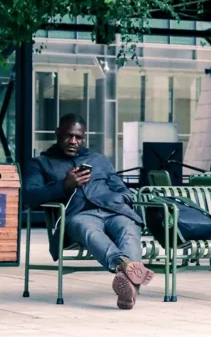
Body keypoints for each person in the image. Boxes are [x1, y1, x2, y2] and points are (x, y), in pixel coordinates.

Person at [23, 114, 153, 309]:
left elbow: (123, 190)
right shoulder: (41, 163)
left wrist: (117, 200)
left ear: (84, 137)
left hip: (114, 210)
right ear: (58, 133)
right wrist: (64, 186)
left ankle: (128, 283)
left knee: (129, 229)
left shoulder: (98, 160)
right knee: (89, 230)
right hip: (79, 215)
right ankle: (124, 266)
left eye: (78, 137)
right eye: (69, 136)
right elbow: (29, 197)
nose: (73, 141)